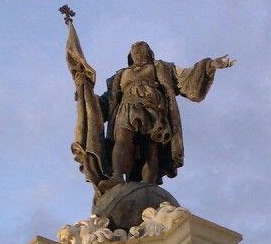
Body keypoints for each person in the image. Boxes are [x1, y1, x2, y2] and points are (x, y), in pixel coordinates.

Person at [62, 12, 235, 196]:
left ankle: (149, 186)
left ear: (149, 53)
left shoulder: (160, 68)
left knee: (151, 148)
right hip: (126, 109)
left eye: (142, 48)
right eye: (135, 49)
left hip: (154, 111)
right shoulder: (120, 76)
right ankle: (117, 177)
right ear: (130, 55)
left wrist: (209, 66)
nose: (138, 51)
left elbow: (185, 78)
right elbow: (106, 102)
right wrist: (87, 95)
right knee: (122, 140)